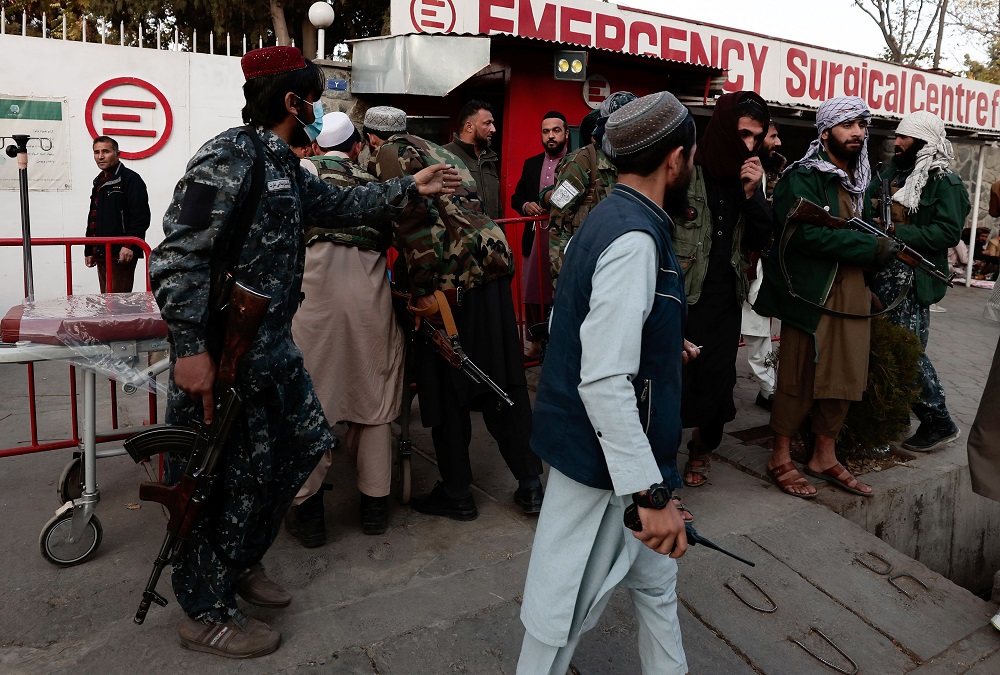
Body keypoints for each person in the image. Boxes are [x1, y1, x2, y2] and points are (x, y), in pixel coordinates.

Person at [148, 47, 458, 659]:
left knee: (299, 446)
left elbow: (340, 205)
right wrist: (188, 348)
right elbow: (177, 254)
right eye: (314, 97)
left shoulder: (285, 165)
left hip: (270, 349)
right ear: (293, 101)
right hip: (220, 352)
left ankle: (237, 561)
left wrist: (405, 185)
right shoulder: (225, 158)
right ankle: (205, 607)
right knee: (216, 475)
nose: (319, 109)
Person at [517, 91, 697, 675]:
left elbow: (609, 328)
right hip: (606, 466)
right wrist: (649, 495)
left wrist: (669, 347)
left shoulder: (616, 214)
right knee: (558, 618)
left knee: (656, 590)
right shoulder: (634, 239)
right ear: (676, 159)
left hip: (629, 457)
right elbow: (601, 378)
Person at [365, 106, 546, 519]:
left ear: (372, 137)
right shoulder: (434, 149)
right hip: (491, 271)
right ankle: (530, 484)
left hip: (452, 283)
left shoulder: (389, 153)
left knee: (448, 386)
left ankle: (458, 492)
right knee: (503, 379)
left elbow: (413, 224)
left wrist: (424, 289)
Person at [754, 96, 895, 498]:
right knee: (800, 375)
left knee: (845, 376)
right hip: (812, 293)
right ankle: (780, 456)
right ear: (826, 130)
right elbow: (806, 235)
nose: (858, 133)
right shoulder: (804, 177)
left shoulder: (862, 180)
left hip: (852, 291)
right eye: (848, 125)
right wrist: (870, 250)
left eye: (862, 126)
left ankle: (823, 456)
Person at [284, 111, 405, 546]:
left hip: (313, 309)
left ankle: (309, 514)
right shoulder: (375, 185)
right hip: (372, 307)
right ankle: (375, 508)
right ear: (357, 146)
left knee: (309, 404)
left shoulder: (300, 175)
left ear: (317, 147)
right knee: (372, 403)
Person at [673, 91, 773, 489]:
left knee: (716, 384)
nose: (749, 144)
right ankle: (663, 456)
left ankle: (702, 449)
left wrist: (752, 195)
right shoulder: (686, 167)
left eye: (757, 137)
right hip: (681, 294)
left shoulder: (748, 175)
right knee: (673, 382)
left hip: (723, 298)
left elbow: (762, 236)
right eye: (743, 133)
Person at [867, 111, 969, 452]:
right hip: (882, 272)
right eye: (897, 136)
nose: (896, 142)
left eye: (904, 138)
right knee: (886, 350)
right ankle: (895, 420)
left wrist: (898, 230)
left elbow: (947, 232)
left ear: (923, 142)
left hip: (914, 276)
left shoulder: (944, 182)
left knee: (907, 352)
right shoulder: (888, 175)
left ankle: (939, 421)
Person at [547, 92, 636, 286]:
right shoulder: (581, 162)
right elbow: (559, 221)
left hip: (621, 267)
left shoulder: (632, 162)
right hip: (584, 269)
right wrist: (561, 280)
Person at [511, 110, 569, 360]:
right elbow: (517, 196)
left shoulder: (577, 161)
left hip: (565, 238)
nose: (551, 136)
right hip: (535, 238)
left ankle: (560, 346)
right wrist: (526, 206)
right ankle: (534, 346)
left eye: (556, 130)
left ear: (567, 133)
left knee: (562, 291)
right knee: (534, 292)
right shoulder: (532, 163)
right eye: (546, 131)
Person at [742, 121, 784, 410]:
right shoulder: (742, 170)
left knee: (757, 332)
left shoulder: (769, 173)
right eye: (773, 137)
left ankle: (769, 390)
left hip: (754, 265)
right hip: (739, 264)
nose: (778, 142)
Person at [84, 135, 151, 293]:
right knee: (106, 300)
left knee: (118, 304)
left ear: (117, 154)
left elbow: (141, 216)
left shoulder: (131, 179)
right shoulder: (99, 181)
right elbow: (93, 217)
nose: (100, 156)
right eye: (96, 152)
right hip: (101, 251)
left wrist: (129, 245)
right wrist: (89, 250)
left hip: (121, 252)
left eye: (105, 151)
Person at [443, 100, 501, 219]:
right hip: (460, 236)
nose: (493, 129)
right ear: (469, 126)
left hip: (491, 235)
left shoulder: (489, 160)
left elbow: (498, 207)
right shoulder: (443, 155)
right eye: (487, 123)